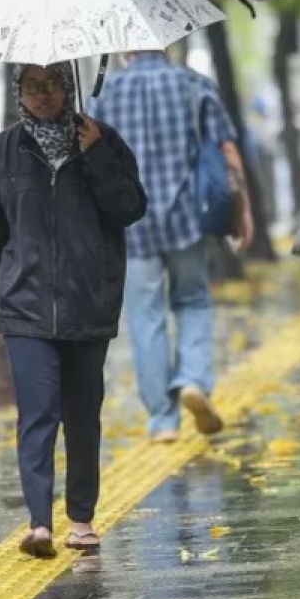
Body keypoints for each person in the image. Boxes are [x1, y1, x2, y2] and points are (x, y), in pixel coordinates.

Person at [0, 62, 146, 558]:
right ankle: (38, 523)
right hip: (23, 303)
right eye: (33, 86)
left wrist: (95, 156)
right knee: (37, 411)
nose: (44, 95)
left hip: (88, 299)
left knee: (82, 413)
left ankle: (82, 518)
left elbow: (130, 208)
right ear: (18, 92)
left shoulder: (103, 140)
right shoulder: (0, 152)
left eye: (53, 84)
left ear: (69, 87)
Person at [88, 51, 254, 443]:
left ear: (127, 48)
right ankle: (193, 379)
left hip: (132, 224)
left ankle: (163, 420)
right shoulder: (195, 84)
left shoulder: (104, 95)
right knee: (192, 300)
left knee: (146, 318)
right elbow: (227, 150)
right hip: (188, 219)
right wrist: (243, 211)